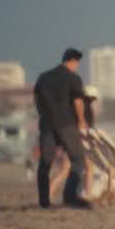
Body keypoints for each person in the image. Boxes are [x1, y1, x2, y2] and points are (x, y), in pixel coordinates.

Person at [32, 48, 91, 209]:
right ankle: (70, 196)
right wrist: (81, 122)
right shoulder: (73, 78)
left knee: (45, 162)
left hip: (47, 125)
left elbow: (37, 101)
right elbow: (78, 102)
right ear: (73, 61)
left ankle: (44, 201)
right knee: (78, 159)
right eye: (77, 64)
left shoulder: (43, 78)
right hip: (66, 125)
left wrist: (44, 116)